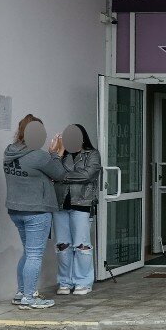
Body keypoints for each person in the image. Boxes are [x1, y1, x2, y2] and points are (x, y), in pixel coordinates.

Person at [4, 114, 66, 310]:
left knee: (28, 252)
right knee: (34, 255)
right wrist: (56, 154)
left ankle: (21, 293)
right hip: (36, 211)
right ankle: (29, 298)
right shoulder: (39, 156)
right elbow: (59, 174)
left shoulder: (9, 151)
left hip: (15, 210)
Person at [50, 124, 102, 296]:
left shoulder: (92, 154)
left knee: (82, 245)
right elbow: (51, 172)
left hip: (82, 203)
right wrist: (56, 155)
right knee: (62, 246)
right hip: (60, 204)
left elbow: (88, 175)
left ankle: (83, 282)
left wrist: (62, 176)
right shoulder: (61, 155)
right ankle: (64, 282)